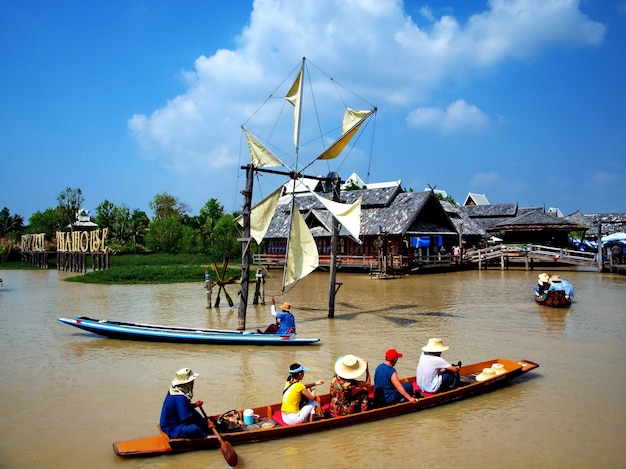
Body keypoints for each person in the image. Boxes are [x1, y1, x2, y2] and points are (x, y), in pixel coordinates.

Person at [159, 368, 210, 439]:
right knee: (195, 429)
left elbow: (183, 407)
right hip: (172, 427)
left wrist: (195, 405)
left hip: (172, 422)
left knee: (196, 417)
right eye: (192, 381)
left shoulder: (173, 391)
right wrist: (207, 425)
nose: (193, 383)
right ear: (187, 383)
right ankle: (205, 438)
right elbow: (187, 419)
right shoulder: (180, 397)